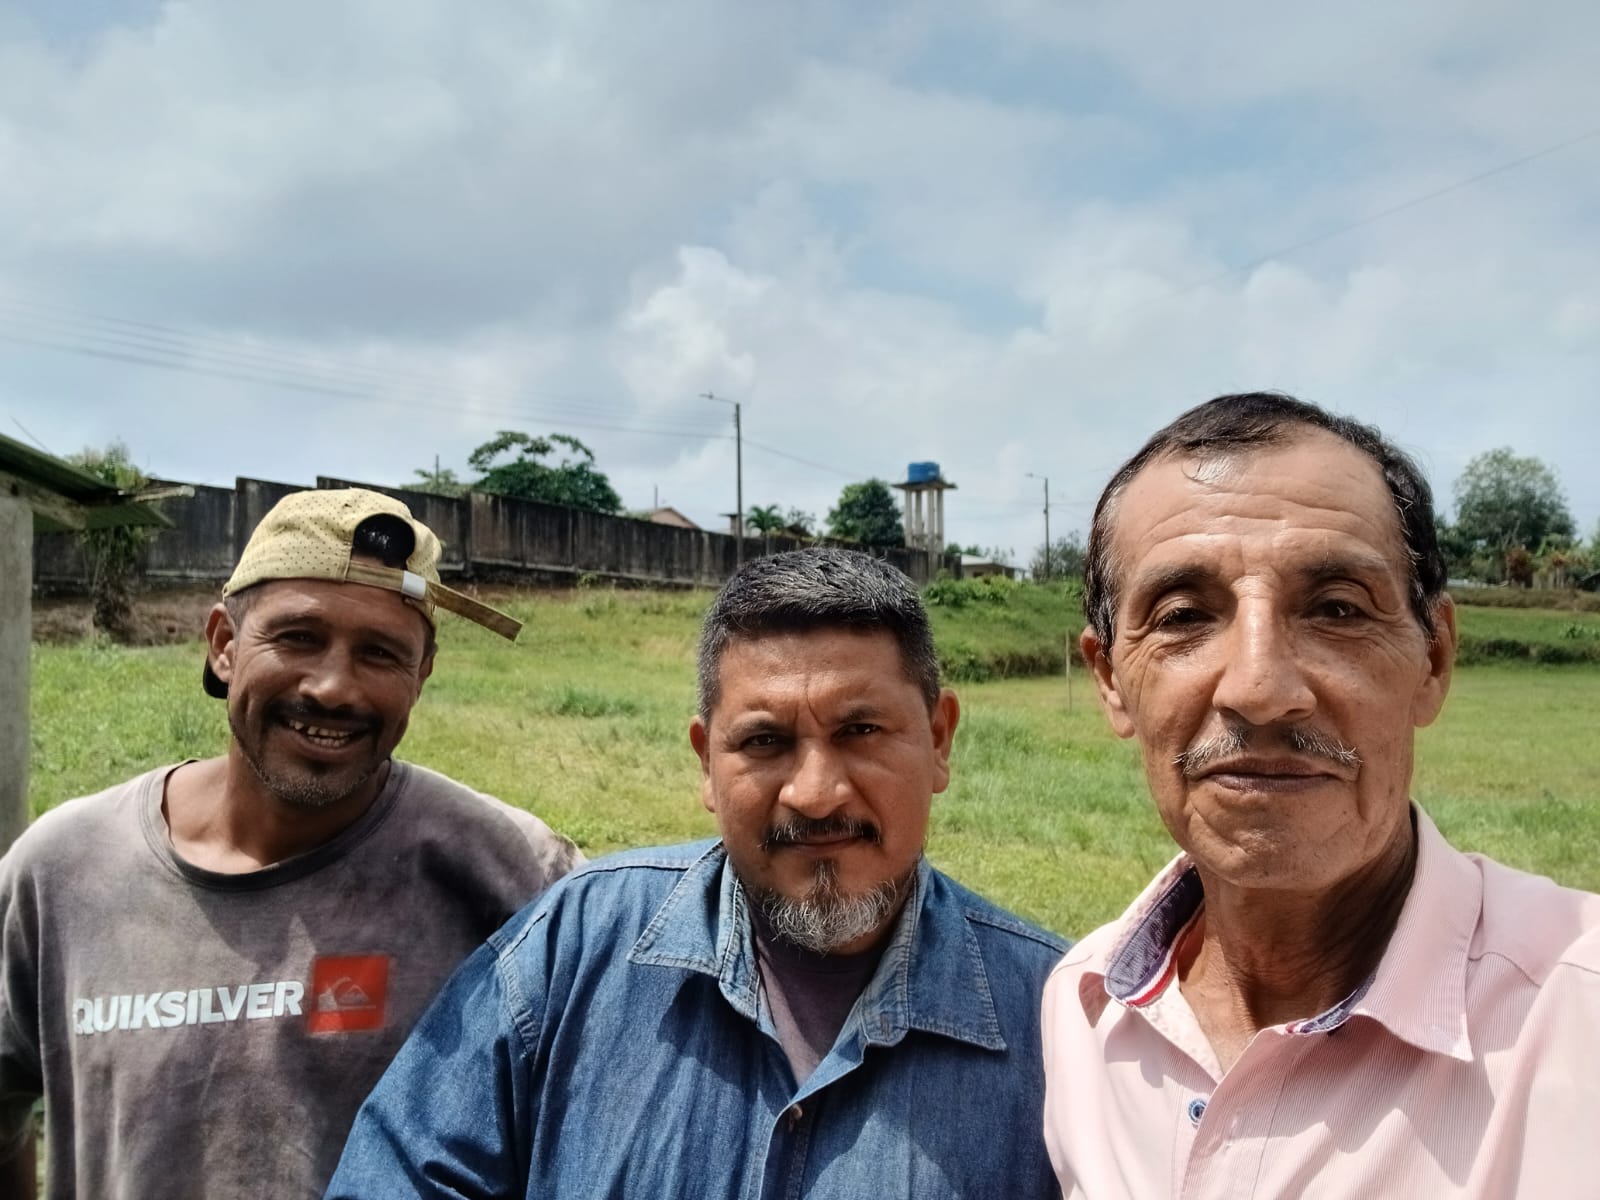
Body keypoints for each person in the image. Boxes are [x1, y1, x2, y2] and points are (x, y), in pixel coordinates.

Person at [326, 547, 1067, 1199]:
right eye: (765, 741)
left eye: (861, 731)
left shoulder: (1061, 1023)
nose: (815, 794)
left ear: (938, 740)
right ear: (706, 762)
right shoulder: (570, 954)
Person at [1042, 392, 1600, 1198]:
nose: (1260, 688)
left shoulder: (1578, 1013)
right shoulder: (1084, 1011)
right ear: (1110, 679)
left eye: (1337, 610)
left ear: (1434, 660)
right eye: (1184, 616)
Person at [0, 487, 581, 1199]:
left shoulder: (515, 872)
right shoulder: (63, 872)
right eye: (299, 637)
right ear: (224, 644)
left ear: (421, 675)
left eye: (380, 654)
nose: (333, 687)